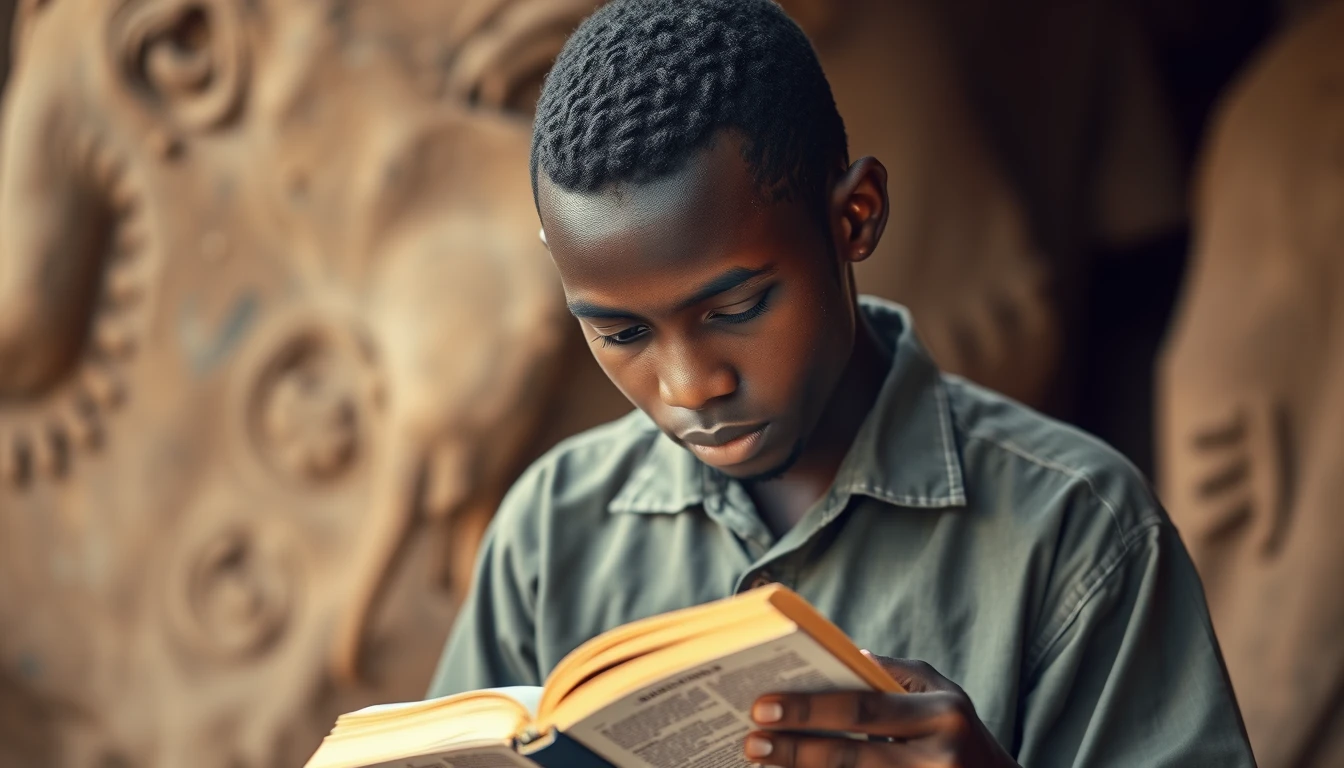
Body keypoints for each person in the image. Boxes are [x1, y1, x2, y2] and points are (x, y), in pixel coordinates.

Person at [426, 0, 1256, 765]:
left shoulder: (1081, 535)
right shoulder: (546, 533)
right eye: (621, 332)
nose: (690, 385)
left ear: (854, 217)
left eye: (738, 307)